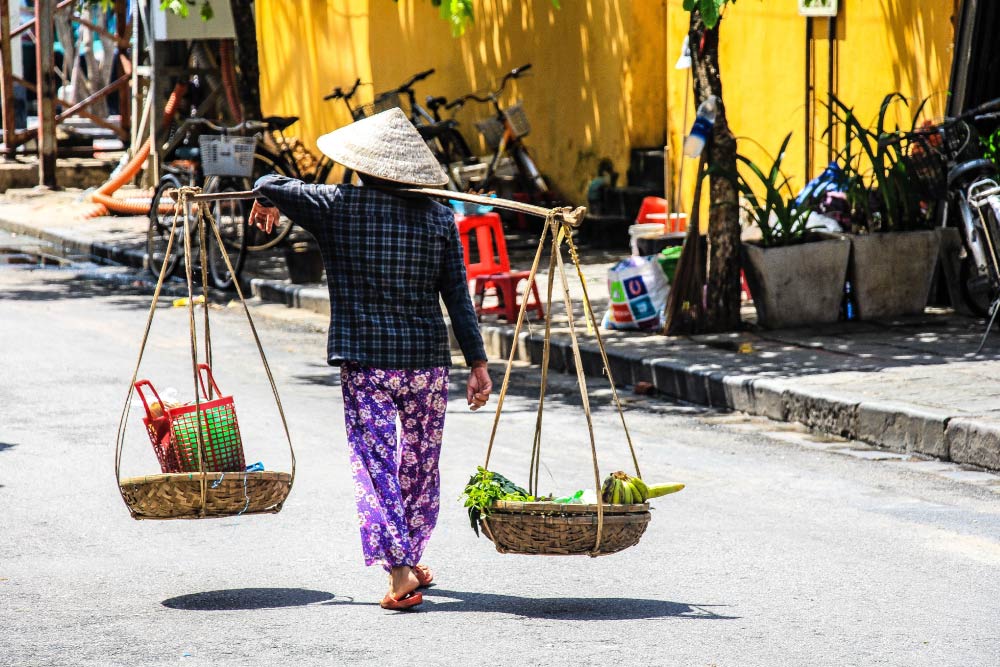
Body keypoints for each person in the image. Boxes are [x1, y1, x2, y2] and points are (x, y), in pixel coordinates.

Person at [247, 108, 492, 611]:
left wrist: (266, 197)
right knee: (420, 464)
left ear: (361, 167)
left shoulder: (336, 205)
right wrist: (479, 363)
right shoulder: (440, 216)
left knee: (376, 463)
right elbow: (457, 298)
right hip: (426, 363)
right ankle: (410, 555)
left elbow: (270, 177)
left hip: (367, 364)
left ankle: (402, 570)